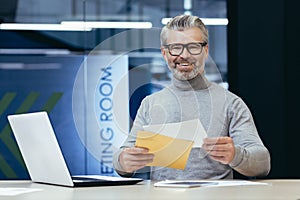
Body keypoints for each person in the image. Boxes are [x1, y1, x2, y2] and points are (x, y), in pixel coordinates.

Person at [113, 14, 271, 180]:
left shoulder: (231, 103)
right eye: (175, 48)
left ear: (206, 50)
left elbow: (263, 164)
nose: (184, 55)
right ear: (164, 53)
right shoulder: (150, 104)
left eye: (193, 47)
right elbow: (121, 160)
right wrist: (124, 161)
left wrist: (235, 155)